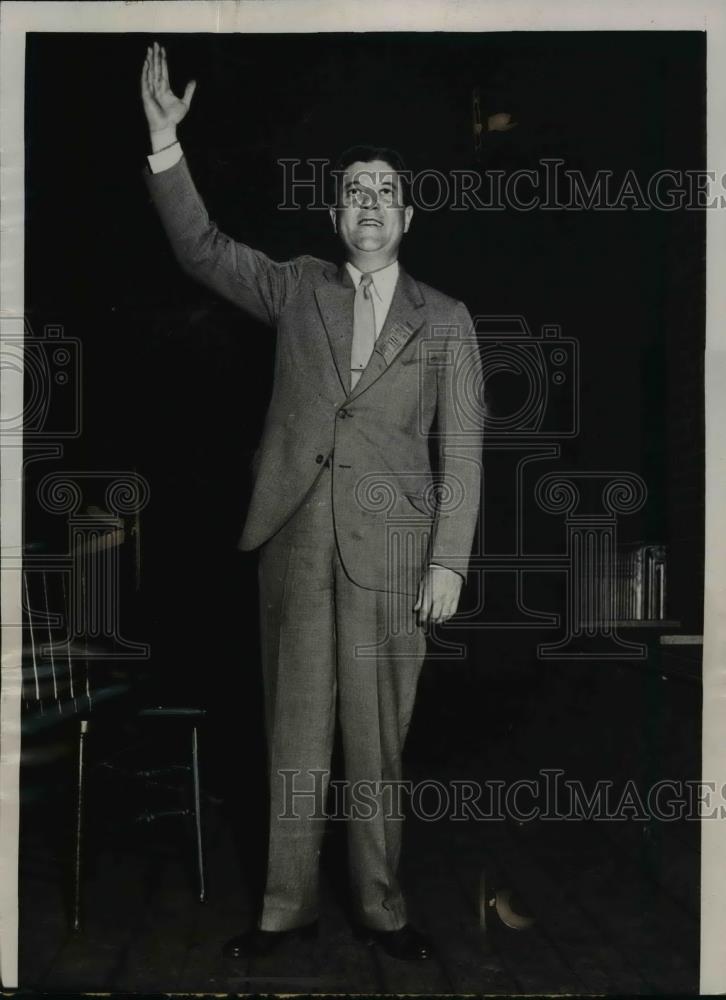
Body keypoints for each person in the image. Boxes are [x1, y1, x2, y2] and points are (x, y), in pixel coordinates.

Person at [141, 42, 484, 963]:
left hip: (395, 559)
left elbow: (466, 448)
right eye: (355, 191)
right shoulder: (295, 287)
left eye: (385, 191)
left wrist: (448, 560)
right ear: (338, 215)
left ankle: (382, 908)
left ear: (405, 216)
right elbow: (201, 250)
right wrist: (166, 146)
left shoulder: (445, 319)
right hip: (295, 543)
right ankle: (283, 912)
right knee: (293, 735)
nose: (369, 203)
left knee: (377, 744)